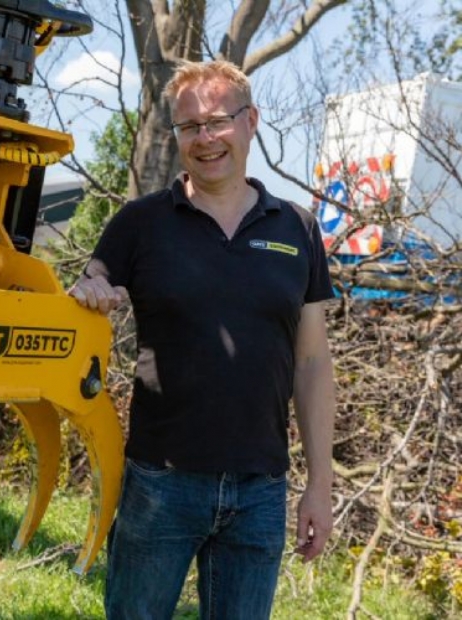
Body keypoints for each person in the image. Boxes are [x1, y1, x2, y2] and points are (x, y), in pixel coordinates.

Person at [68, 60, 336, 619]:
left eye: (217, 121)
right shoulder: (140, 223)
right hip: (160, 484)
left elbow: (311, 363)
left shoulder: (297, 228)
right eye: (189, 127)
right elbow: (93, 281)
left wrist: (320, 484)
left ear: (251, 121)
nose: (205, 139)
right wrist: (90, 287)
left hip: (260, 489)